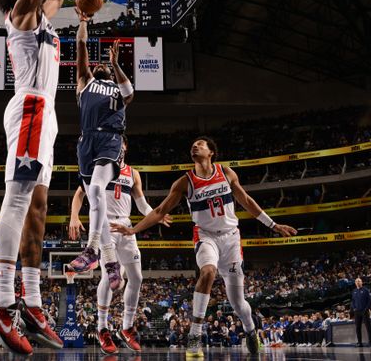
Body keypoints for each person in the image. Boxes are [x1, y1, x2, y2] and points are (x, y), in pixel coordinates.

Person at [0, 0, 85, 355]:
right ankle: (2, 302)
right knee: (19, 200)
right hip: (30, 108)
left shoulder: (43, 17)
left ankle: (34, 304)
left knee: (39, 206)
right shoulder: (20, 13)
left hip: (48, 115)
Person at [111, 136, 297, 358]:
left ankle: (250, 329)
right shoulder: (184, 182)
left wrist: (273, 224)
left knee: (238, 303)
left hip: (231, 238)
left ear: (211, 152)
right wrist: (134, 230)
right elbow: (160, 211)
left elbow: (246, 200)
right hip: (205, 235)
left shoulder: (226, 173)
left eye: (200, 144)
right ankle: (195, 335)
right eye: (193, 145)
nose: (195, 146)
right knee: (208, 271)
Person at [68, 136, 170, 353]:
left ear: (125, 146)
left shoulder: (133, 173)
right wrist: (74, 217)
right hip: (104, 225)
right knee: (108, 276)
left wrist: (156, 215)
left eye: (121, 144)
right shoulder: (100, 166)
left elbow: (141, 204)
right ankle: (102, 328)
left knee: (137, 277)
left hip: (125, 227)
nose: (118, 147)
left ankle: (126, 327)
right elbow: (79, 195)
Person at [68, 10, 135, 291]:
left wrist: (117, 64)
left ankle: (91, 249)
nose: (101, 67)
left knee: (95, 191)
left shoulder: (117, 88)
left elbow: (130, 94)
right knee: (97, 203)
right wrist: (83, 21)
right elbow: (81, 46)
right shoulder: (85, 82)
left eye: (105, 68)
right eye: (102, 66)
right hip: (86, 142)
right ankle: (110, 264)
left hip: (110, 139)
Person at [351, 277, 371, 346]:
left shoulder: (365, 290)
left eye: (359, 281)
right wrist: (354, 308)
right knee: (357, 328)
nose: (358, 282)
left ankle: (370, 342)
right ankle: (359, 342)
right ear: (355, 283)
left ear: (362, 282)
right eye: (356, 281)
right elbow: (353, 301)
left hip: (364, 311)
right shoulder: (354, 291)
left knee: (368, 327)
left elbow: (369, 301)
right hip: (357, 312)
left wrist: (366, 309)